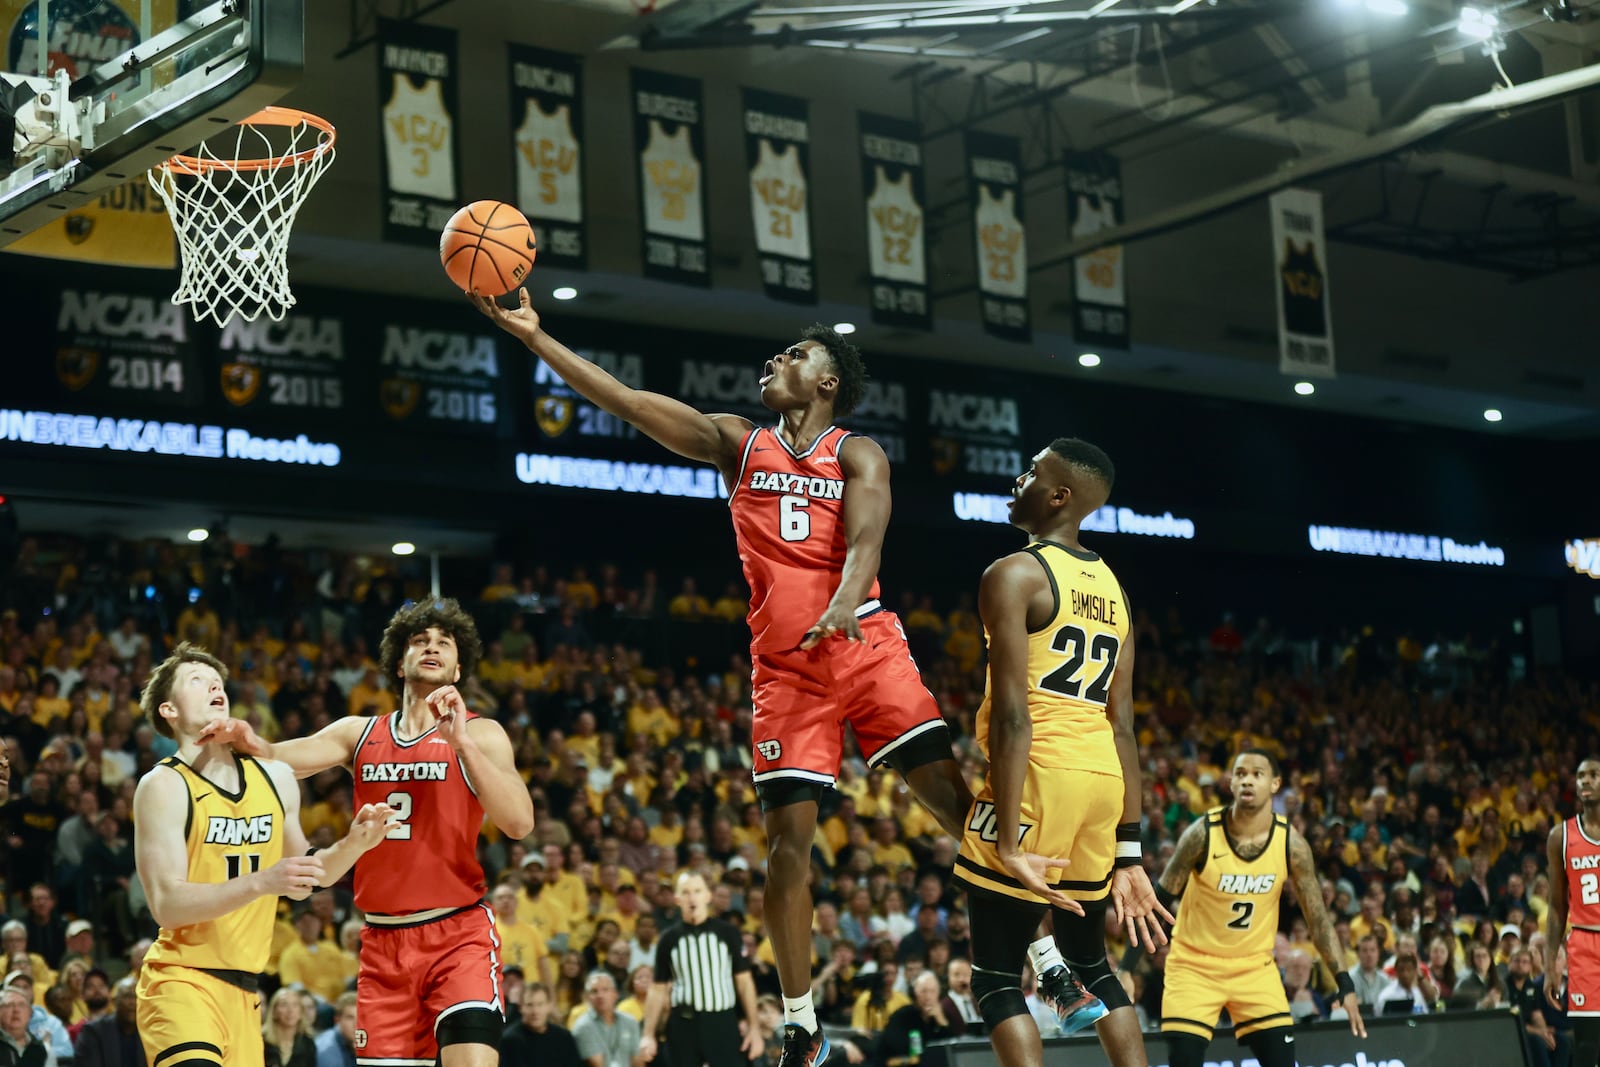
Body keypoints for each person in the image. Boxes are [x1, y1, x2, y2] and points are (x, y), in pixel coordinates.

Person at [473, 297, 1066, 1067]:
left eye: (790, 356)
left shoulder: (859, 453)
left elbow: (867, 535)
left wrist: (848, 600)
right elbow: (625, 400)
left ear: (825, 380)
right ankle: (800, 1021)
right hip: (787, 672)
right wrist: (535, 335)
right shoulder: (736, 444)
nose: (772, 363)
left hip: (868, 649)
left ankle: (1048, 956)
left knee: (961, 808)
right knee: (788, 852)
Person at [202, 599, 535, 1067]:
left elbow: (520, 824)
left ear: (459, 669)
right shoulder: (358, 733)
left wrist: (459, 743)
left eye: (444, 643)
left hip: (458, 933)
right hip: (383, 942)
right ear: (400, 663)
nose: (431, 647)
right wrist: (244, 738)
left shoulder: (482, 734)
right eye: (420, 641)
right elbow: (275, 756)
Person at [949, 439, 1172, 1067]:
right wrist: (1128, 848)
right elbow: (1122, 724)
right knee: (1090, 963)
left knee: (994, 980)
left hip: (1042, 776)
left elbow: (1015, 717)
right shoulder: (1115, 589)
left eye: (1032, 472)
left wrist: (1013, 842)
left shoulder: (1014, 573)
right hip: (1101, 780)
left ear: (1059, 496)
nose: (1017, 479)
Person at [133, 644, 391, 1067]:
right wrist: (262, 881)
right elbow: (167, 906)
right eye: (196, 680)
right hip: (181, 982)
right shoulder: (163, 785)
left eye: (217, 680)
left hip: (246, 994)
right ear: (169, 711)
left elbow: (312, 874)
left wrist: (355, 843)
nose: (214, 684)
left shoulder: (275, 777)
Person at [1154, 750, 1366, 1067]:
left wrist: (1345, 983)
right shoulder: (1202, 833)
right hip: (1194, 965)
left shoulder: (1291, 845)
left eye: (1257, 773)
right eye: (1240, 774)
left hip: (1254, 967)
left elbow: (1319, 921)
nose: (1247, 780)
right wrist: (1127, 969)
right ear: (1231, 783)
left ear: (1276, 783)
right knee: (1184, 1057)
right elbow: (1158, 901)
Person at [639, 872, 762, 1067]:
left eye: (697, 891)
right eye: (686, 892)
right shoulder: (668, 939)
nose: (692, 897)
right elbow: (657, 989)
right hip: (683, 1024)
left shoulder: (728, 933)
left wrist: (754, 1028)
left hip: (722, 1022)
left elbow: (745, 983)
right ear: (677, 899)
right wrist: (648, 1035)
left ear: (708, 896)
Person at [1547, 755, 1600, 1067]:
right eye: (1581, 776)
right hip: (1584, 944)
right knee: (1587, 1044)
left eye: (1594, 774)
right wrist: (1551, 963)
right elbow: (1556, 907)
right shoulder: (1560, 836)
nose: (1586, 781)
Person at [502, 982, 584, 1067]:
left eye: (540, 1004)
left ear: (549, 1006)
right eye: (529, 1005)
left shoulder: (564, 1037)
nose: (535, 1011)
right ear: (520, 1007)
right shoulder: (509, 1041)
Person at [571, 972, 641, 1067]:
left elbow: (637, 1062)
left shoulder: (630, 1022)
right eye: (594, 991)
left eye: (605, 990)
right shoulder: (583, 1026)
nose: (600, 995)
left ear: (615, 994)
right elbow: (598, 1064)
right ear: (588, 998)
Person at [71, 976, 143, 1067]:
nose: (133, 1002)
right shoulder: (93, 1032)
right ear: (114, 1001)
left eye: (137, 997)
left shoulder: (149, 1034)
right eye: (127, 996)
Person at [0, 983, 49, 1067]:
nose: (16, 1010)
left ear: (30, 1013)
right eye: (9, 1005)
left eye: (22, 1005)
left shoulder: (41, 1049)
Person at [313, 993, 358, 1067]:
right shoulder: (326, 1051)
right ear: (337, 1020)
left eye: (361, 1018)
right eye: (350, 1018)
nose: (357, 1024)